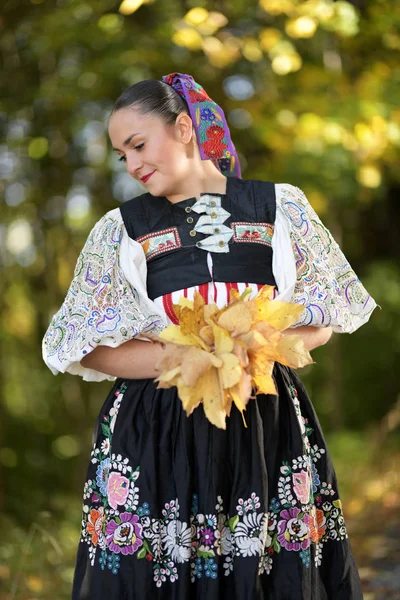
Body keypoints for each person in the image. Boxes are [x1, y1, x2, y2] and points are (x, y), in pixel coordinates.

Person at [42, 72, 376, 600]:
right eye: (121, 155)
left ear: (181, 128)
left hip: (263, 418)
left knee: (268, 571)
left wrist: (252, 349)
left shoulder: (278, 207)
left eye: (138, 144)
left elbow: (323, 316)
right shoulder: (122, 229)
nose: (131, 164)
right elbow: (90, 347)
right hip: (157, 426)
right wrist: (188, 357)